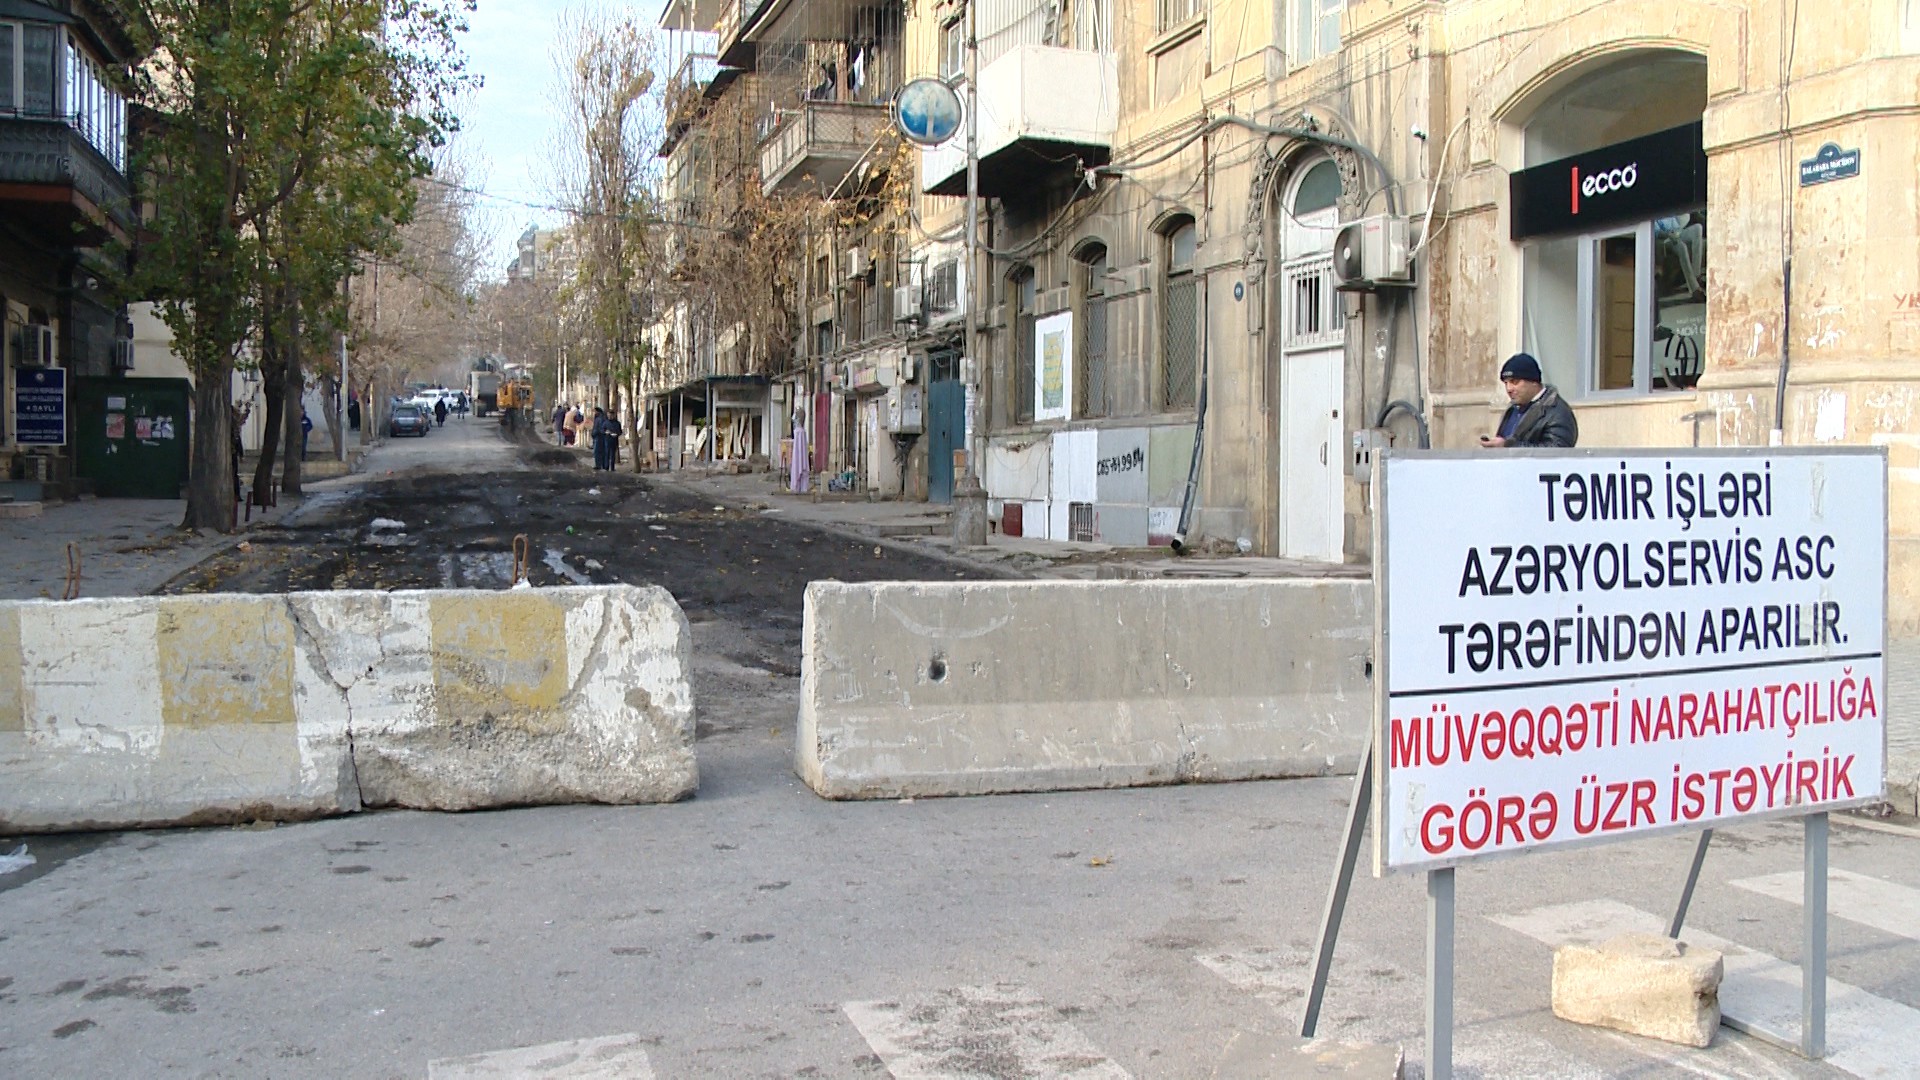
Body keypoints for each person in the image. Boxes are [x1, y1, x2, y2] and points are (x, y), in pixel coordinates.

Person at [1479, 352, 1577, 449]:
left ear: (1534, 381)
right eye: (1506, 383)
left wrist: (1508, 447)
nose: (1509, 389)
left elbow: (1557, 452)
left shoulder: (1557, 412)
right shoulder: (1513, 409)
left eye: (1515, 382)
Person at [788, 410, 810, 493]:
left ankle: (798, 486)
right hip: (798, 456)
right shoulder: (800, 432)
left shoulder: (799, 432)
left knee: (799, 466)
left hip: (799, 457)